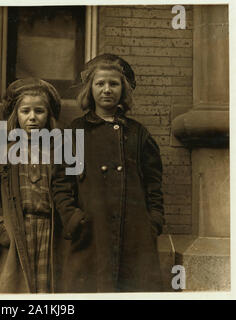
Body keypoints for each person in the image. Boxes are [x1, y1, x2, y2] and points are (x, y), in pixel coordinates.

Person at [52, 54, 165, 292]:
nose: (107, 90)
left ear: (123, 90)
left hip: (135, 236)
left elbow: (154, 186)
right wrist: (73, 218)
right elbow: (62, 183)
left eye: (113, 84)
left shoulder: (137, 134)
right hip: (91, 234)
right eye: (100, 83)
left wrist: (152, 222)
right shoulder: (76, 133)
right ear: (90, 89)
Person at [0, 78, 62, 293]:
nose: (32, 117)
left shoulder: (59, 151)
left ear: (48, 116)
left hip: (49, 230)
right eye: (25, 111)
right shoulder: (3, 152)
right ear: (16, 115)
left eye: (39, 111)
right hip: (16, 228)